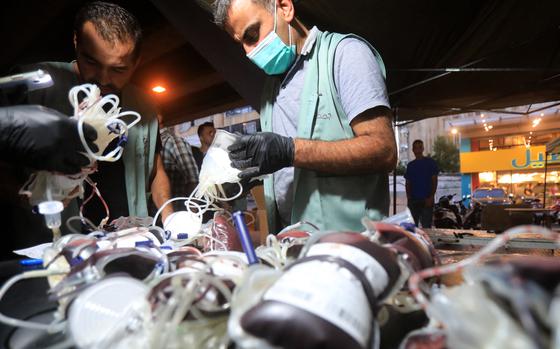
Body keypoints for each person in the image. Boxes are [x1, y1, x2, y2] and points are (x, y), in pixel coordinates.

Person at [213, 0, 397, 232]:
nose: (249, 52)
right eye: (242, 43)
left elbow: (384, 150)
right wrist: (248, 174)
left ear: (285, 8)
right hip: (289, 241)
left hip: (348, 244)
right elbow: (288, 172)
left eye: (252, 34)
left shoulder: (345, 55)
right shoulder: (271, 89)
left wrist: (290, 151)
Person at [16, 1, 173, 229]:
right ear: (76, 42)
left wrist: (171, 218)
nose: (103, 79)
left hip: (127, 236)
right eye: (91, 61)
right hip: (52, 237)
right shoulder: (33, 86)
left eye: (119, 69)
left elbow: (156, 171)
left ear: (136, 62)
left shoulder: (144, 106)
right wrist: (24, 196)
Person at [159, 126, 199, 211]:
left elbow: (192, 179)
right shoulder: (154, 146)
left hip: (177, 212)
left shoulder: (173, 142)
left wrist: (192, 212)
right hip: (158, 212)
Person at [404, 140, 439, 228]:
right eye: (416, 148)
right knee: (412, 227)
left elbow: (434, 181)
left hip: (426, 200)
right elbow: (408, 183)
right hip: (413, 201)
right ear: (413, 150)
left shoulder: (430, 163)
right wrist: (409, 198)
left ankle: (426, 242)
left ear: (423, 149)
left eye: (420, 147)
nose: (418, 150)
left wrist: (431, 197)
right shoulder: (410, 165)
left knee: (427, 227)